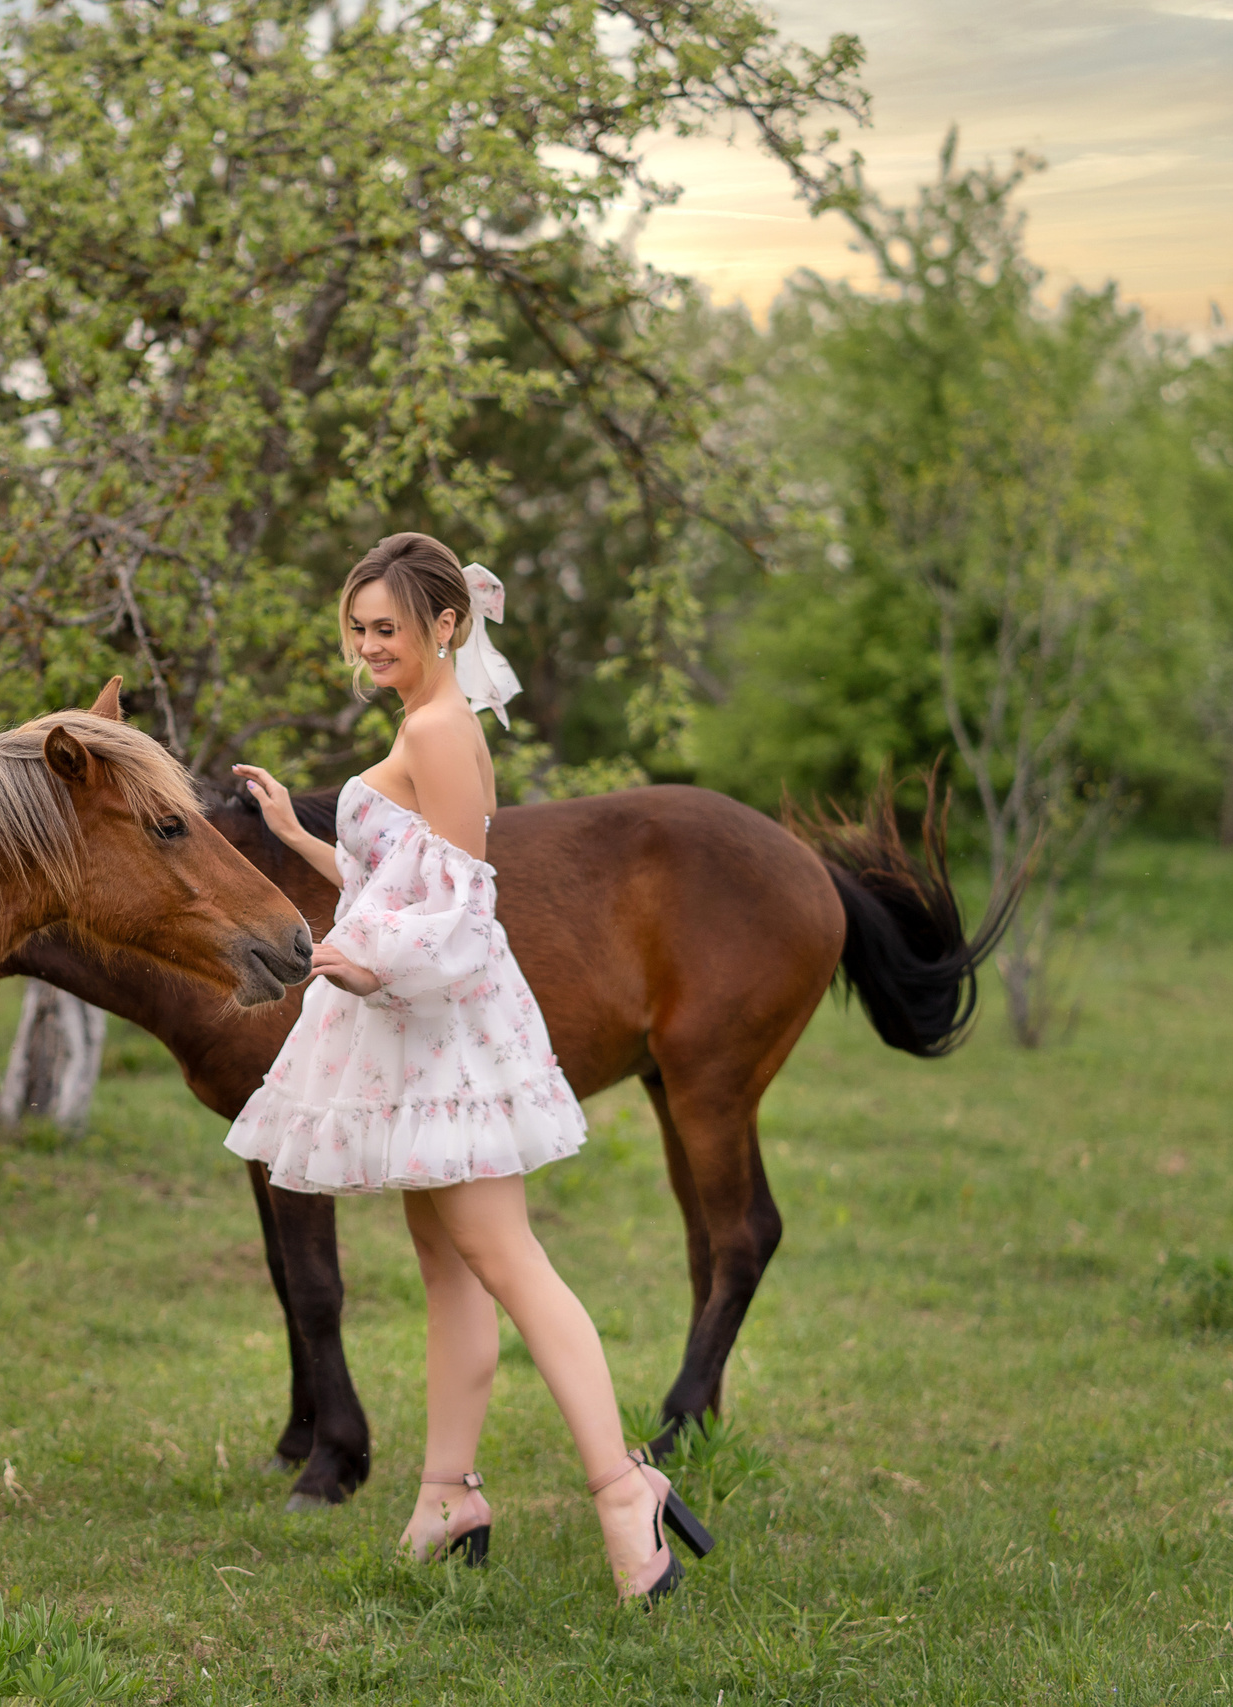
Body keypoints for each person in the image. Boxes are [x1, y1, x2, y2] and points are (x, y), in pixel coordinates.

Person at [227, 532, 710, 1606]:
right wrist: (291, 839)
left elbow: (459, 900)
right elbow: (394, 873)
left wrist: (355, 963)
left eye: (385, 629)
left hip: (440, 1024)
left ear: (444, 625)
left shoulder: (441, 729)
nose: (368, 647)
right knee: (447, 1269)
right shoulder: (420, 723)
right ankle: (447, 1495)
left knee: (505, 1260)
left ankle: (621, 1487)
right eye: (356, 630)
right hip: (415, 1020)